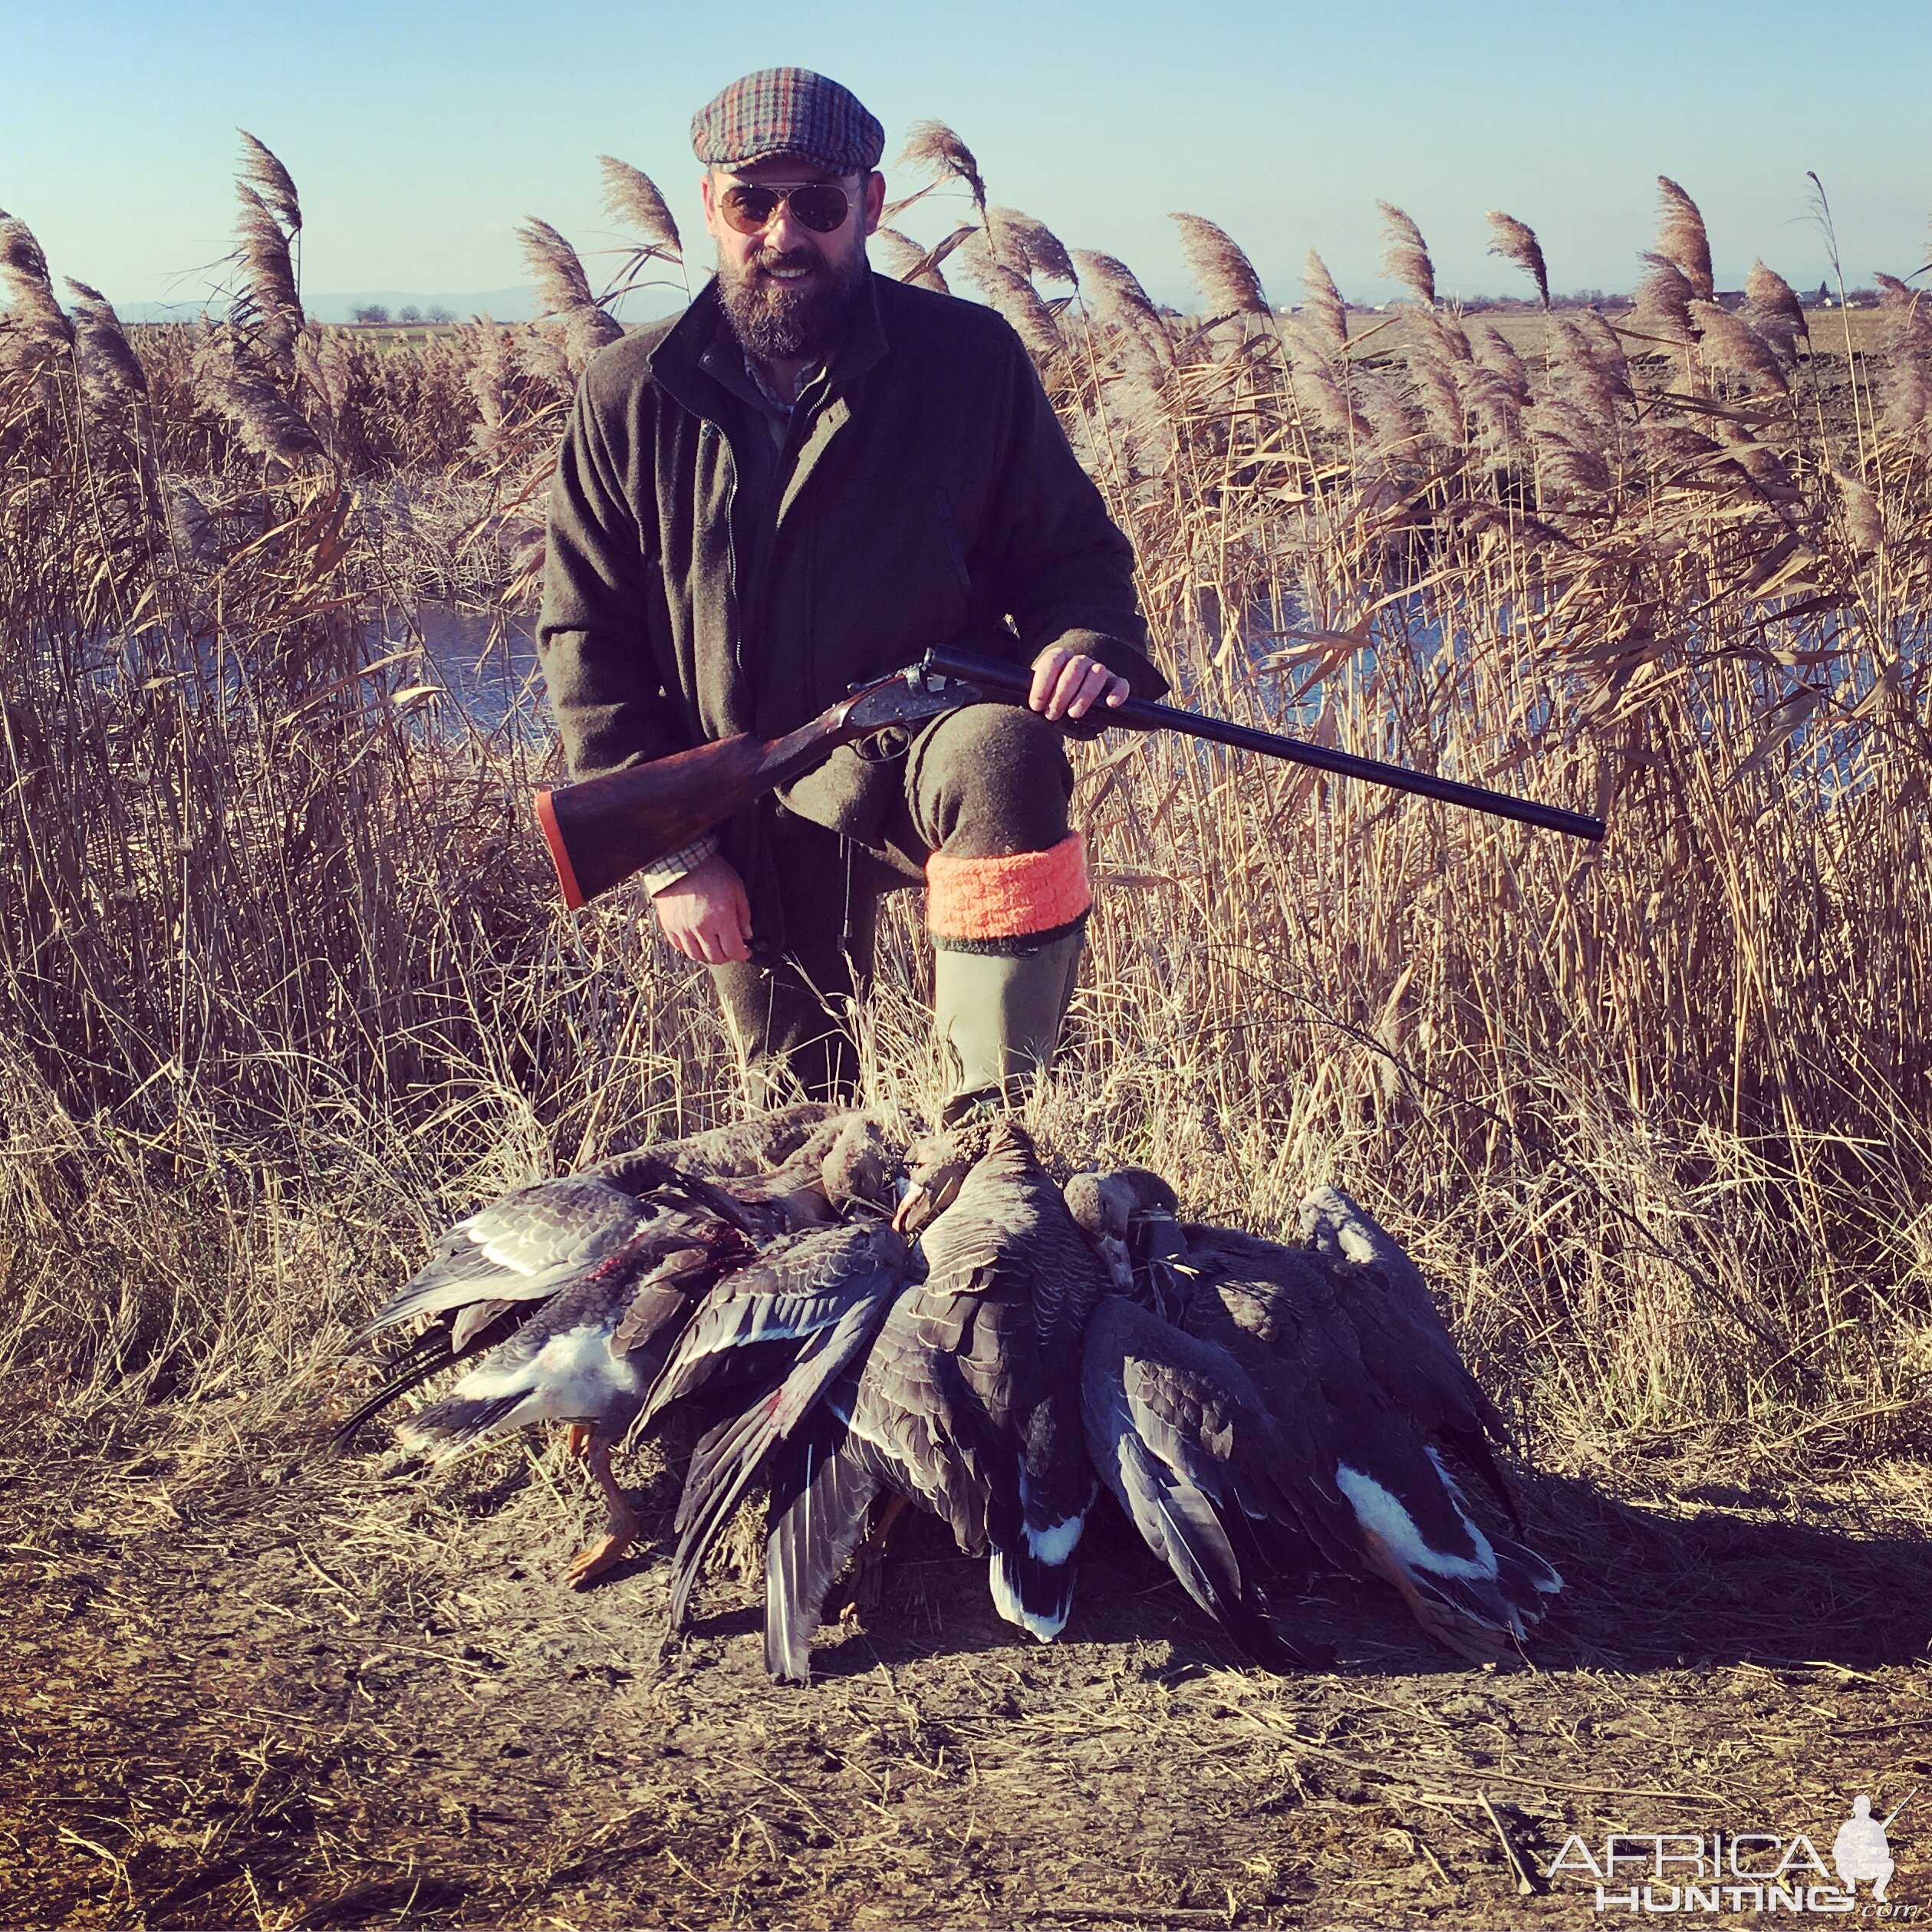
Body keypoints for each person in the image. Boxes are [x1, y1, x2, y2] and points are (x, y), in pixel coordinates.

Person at [537, 67, 1163, 1121]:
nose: (784, 233)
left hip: (922, 751)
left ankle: (990, 1143)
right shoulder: (627, 393)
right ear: (710, 208)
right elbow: (585, 638)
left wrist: (1086, 639)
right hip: (743, 799)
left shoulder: (970, 362)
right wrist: (676, 854)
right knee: (798, 1126)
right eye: (751, 202)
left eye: (819, 205)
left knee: (1003, 752)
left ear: (869, 207)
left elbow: (1072, 557)